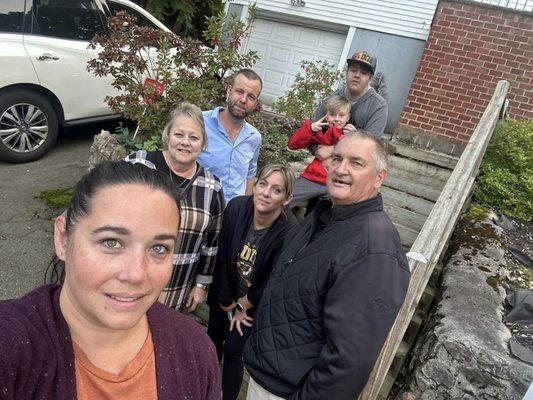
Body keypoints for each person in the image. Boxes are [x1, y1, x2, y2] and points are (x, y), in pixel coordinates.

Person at [0, 161, 220, 400]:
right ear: (63, 239)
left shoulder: (194, 349)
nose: (136, 274)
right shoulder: (12, 344)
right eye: (111, 242)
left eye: (158, 248)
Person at [243, 133, 411, 400]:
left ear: (379, 177)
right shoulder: (323, 216)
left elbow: (348, 359)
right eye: (337, 158)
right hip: (268, 374)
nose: (341, 169)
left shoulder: (373, 248)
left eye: (356, 163)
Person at [207, 164, 297, 400]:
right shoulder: (237, 207)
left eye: (277, 190)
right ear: (255, 185)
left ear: (286, 199)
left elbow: (275, 279)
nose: (266, 193)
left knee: (234, 348)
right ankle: (204, 387)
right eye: (263, 184)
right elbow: (224, 254)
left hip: (254, 301)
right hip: (225, 288)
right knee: (212, 338)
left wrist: (244, 305)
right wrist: (227, 300)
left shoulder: (289, 232)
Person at [127, 102, 224, 312]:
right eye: (179, 134)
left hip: (176, 286)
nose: (185, 142)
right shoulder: (139, 165)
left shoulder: (211, 187)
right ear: (167, 135)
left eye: (194, 137)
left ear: (203, 144)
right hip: (130, 276)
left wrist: (200, 285)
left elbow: (211, 243)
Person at [310, 51, 388, 171]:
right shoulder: (332, 99)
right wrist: (317, 150)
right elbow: (311, 131)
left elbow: (372, 147)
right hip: (323, 168)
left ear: (370, 79)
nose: (357, 75)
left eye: (363, 72)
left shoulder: (378, 106)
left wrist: (334, 150)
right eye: (353, 70)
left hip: (358, 170)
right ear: (347, 72)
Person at [198, 68, 263, 203]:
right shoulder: (200, 123)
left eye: (251, 96)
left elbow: (250, 175)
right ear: (229, 91)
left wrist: (243, 210)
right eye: (239, 91)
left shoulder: (254, 137)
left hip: (232, 215)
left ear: (256, 103)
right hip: (200, 207)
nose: (243, 100)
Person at [287, 95, 352, 208]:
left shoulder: (351, 135)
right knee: (283, 198)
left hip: (337, 183)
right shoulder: (320, 133)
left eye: (341, 115)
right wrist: (310, 128)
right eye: (332, 115)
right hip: (313, 179)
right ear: (326, 116)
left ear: (347, 118)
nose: (336, 119)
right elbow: (292, 144)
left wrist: (355, 137)